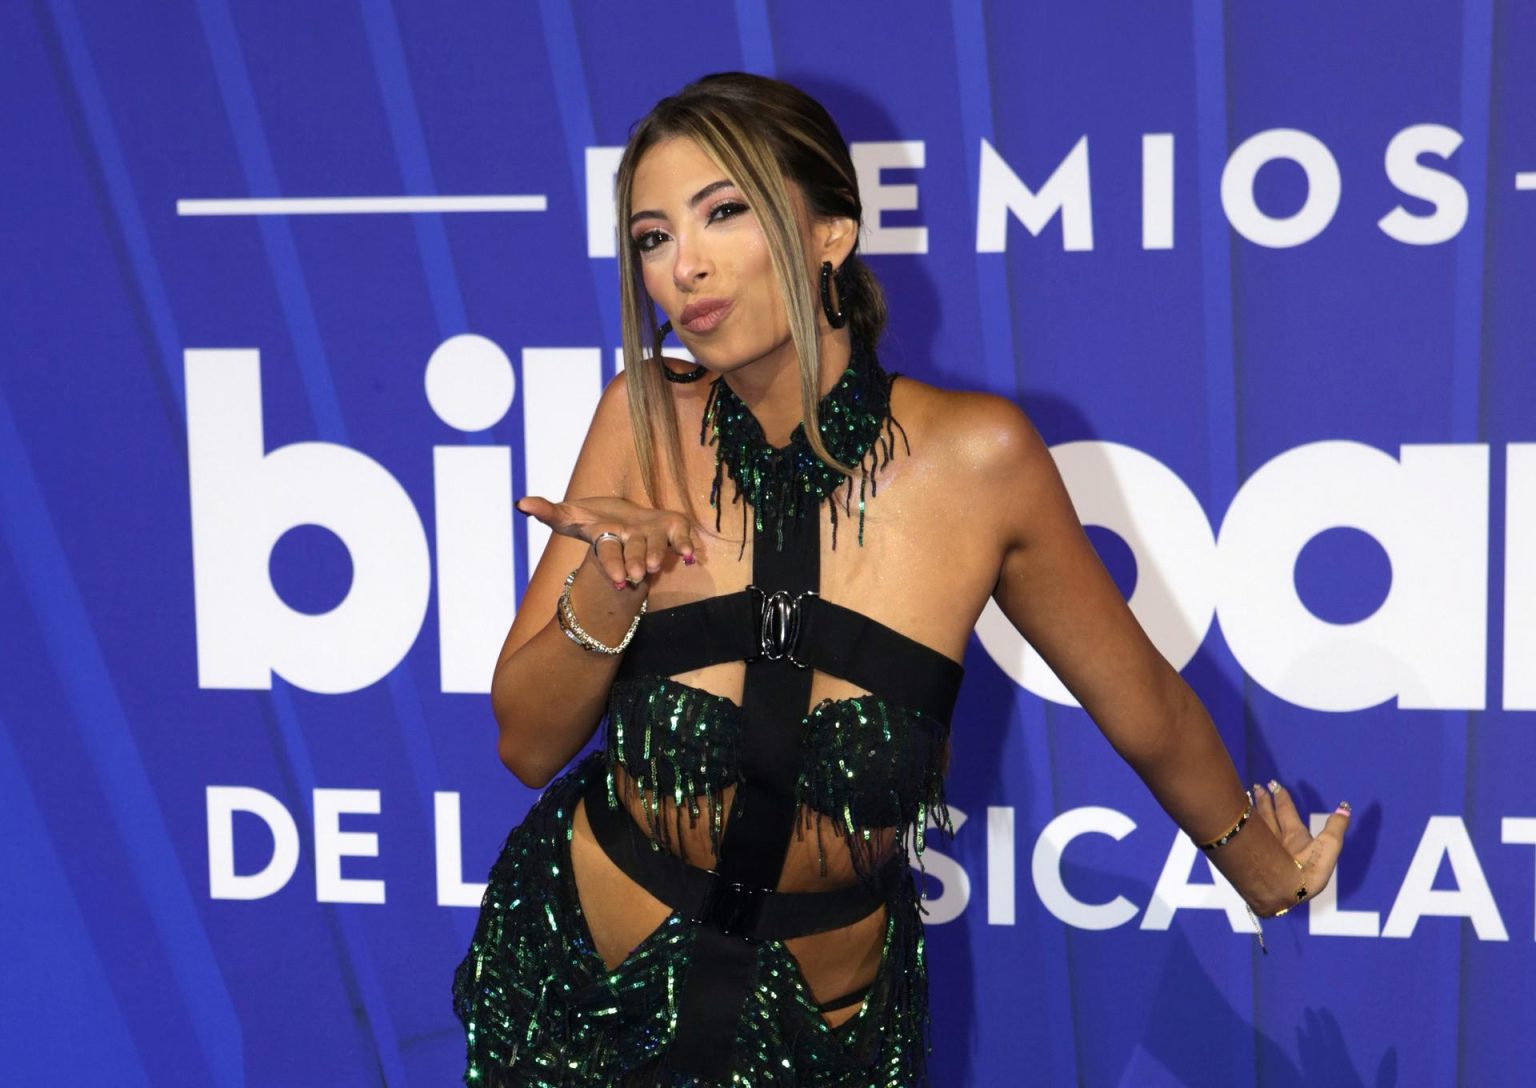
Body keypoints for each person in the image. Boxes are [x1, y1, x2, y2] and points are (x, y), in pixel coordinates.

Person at [451, 71, 1349, 1087]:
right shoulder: (640, 414)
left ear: (832, 232)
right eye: (653, 237)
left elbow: (1143, 705)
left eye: (725, 213)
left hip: (822, 1040)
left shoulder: (982, 457)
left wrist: (1264, 869)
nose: (684, 268)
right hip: (576, 996)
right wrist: (609, 590)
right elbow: (525, 743)